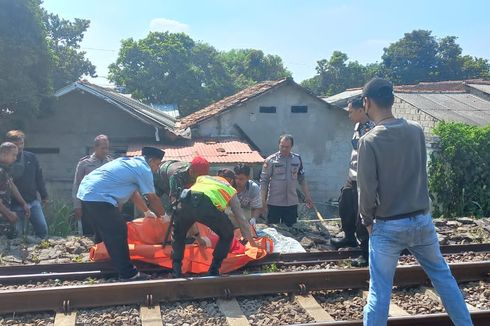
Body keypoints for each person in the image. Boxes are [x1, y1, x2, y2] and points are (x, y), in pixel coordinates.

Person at [358, 78, 472, 326]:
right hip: (421, 220)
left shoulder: (369, 141)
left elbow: (367, 190)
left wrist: (367, 221)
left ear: (366, 102)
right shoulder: (416, 129)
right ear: (393, 99)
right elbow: (421, 171)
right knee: (444, 278)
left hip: (388, 225)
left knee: (380, 292)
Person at [77, 146, 165, 281]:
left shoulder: (130, 163)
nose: (157, 168)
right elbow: (152, 197)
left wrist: (146, 211)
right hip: (98, 196)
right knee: (118, 231)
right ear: (151, 161)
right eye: (157, 164)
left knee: (104, 231)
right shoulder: (144, 169)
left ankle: (104, 261)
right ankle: (128, 273)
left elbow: (133, 193)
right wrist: (164, 216)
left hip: (87, 193)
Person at [172, 175, 258, 277]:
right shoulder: (229, 189)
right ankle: (214, 269)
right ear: (229, 181)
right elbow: (241, 219)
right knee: (227, 234)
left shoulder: (202, 178)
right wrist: (252, 242)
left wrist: (198, 237)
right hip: (208, 206)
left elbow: (191, 215)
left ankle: (176, 270)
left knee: (178, 235)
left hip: (185, 201)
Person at [331, 97, 375, 267]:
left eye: (351, 111)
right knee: (345, 204)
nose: (348, 115)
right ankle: (349, 237)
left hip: (365, 177)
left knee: (361, 215)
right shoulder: (357, 126)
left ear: (361, 110)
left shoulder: (372, 128)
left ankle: (366, 252)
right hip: (353, 175)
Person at [260, 134, 313, 226]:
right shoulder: (271, 160)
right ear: (278, 145)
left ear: (291, 147)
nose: (284, 149)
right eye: (282, 146)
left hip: (291, 203)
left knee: (291, 230)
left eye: (287, 147)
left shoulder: (297, 159)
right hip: (274, 203)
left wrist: (307, 196)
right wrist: (262, 201)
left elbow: (302, 179)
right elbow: (264, 181)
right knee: (273, 230)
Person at [5, 130, 48, 238]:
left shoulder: (31, 157)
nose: (20, 147)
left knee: (42, 230)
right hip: (13, 204)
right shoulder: (5, 162)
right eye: (16, 144)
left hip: (32, 201)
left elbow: (39, 177)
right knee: (15, 235)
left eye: (21, 143)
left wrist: (44, 195)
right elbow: (10, 185)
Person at [72, 135, 111, 238]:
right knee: (89, 236)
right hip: (89, 205)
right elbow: (77, 185)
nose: (105, 151)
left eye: (107, 148)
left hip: (106, 205)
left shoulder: (111, 163)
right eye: (103, 148)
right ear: (95, 148)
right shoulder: (84, 164)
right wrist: (77, 206)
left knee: (106, 235)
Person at [0, 143, 31, 239]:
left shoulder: (5, 170)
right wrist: (8, 214)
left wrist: (23, 203)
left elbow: (12, 186)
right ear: (4, 154)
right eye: (13, 155)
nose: (15, 158)